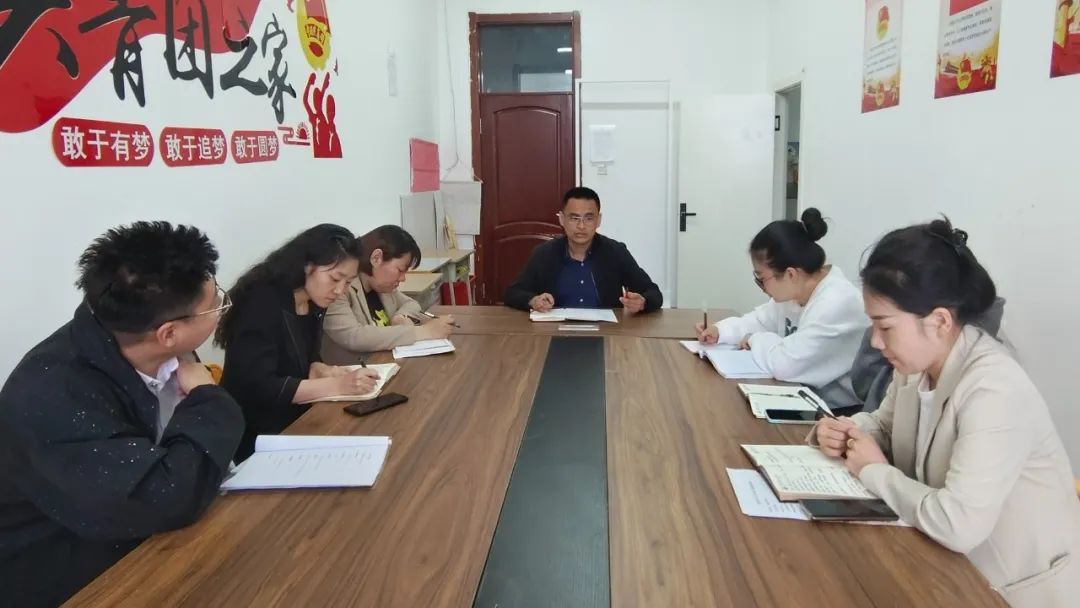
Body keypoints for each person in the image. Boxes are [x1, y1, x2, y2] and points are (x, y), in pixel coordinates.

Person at [812, 218, 1080, 607]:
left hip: (1010, 590)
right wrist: (844, 429)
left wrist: (873, 471)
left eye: (885, 326)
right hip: (943, 566)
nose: (875, 342)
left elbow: (958, 524)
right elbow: (883, 427)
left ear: (939, 321)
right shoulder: (917, 365)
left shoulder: (995, 389)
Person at [0, 222, 244, 607]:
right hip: (70, 574)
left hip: (151, 544)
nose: (221, 308)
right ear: (168, 333)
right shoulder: (51, 394)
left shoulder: (150, 342)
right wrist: (209, 399)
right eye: (217, 304)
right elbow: (162, 498)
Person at [216, 224, 379, 461]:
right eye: (335, 278)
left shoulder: (313, 300)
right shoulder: (260, 302)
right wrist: (337, 386)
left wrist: (317, 367)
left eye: (348, 282)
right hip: (255, 436)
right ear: (306, 265)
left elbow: (302, 355)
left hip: (299, 420)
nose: (340, 291)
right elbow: (258, 386)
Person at [696, 208, 867, 408]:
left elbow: (786, 365)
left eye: (761, 279)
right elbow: (759, 320)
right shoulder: (797, 291)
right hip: (802, 396)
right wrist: (720, 331)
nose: (762, 287)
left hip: (839, 412)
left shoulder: (837, 303)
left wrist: (753, 339)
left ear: (790, 274)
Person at [503, 186, 663, 313]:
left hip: (606, 332)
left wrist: (643, 302)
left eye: (589, 218)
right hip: (555, 331)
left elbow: (653, 292)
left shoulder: (615, 252)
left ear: (598, 220)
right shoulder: (544, 253)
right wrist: (533, 300)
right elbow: (513, 292)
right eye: (574, 218)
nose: (581, 226)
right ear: (562, 219)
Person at [322, 225, 456, 363]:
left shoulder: (382, 287)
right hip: (356, 370)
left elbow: (411, 303)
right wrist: (425, 332)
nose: (403, 278)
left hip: (387, 364)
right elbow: (354, 336)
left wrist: (400, 317)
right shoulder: (340, 289)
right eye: (400, 270)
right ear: (376, 258)